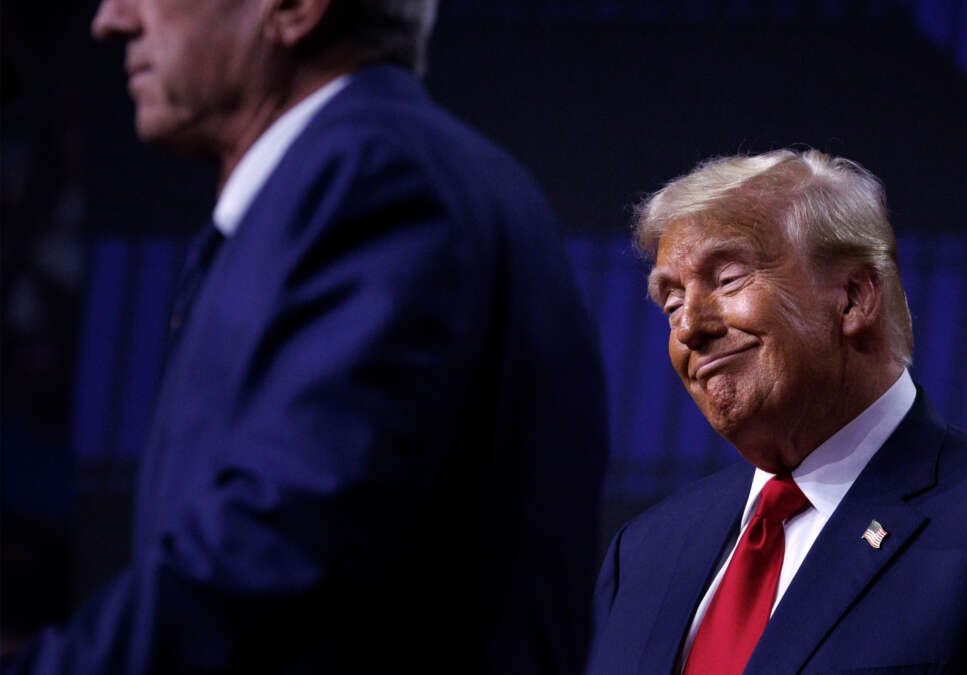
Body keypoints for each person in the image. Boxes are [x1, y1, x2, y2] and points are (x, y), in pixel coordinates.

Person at [6, 0, 607, 673]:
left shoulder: (378, 180)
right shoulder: (383, 178)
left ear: (293, 8)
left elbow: (272, 559)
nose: (110, 19)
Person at [585, 149, 967, 674]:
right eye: (672, 301)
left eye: (727, 279)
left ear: (853, 297)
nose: (689, 328)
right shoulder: (643, 555)